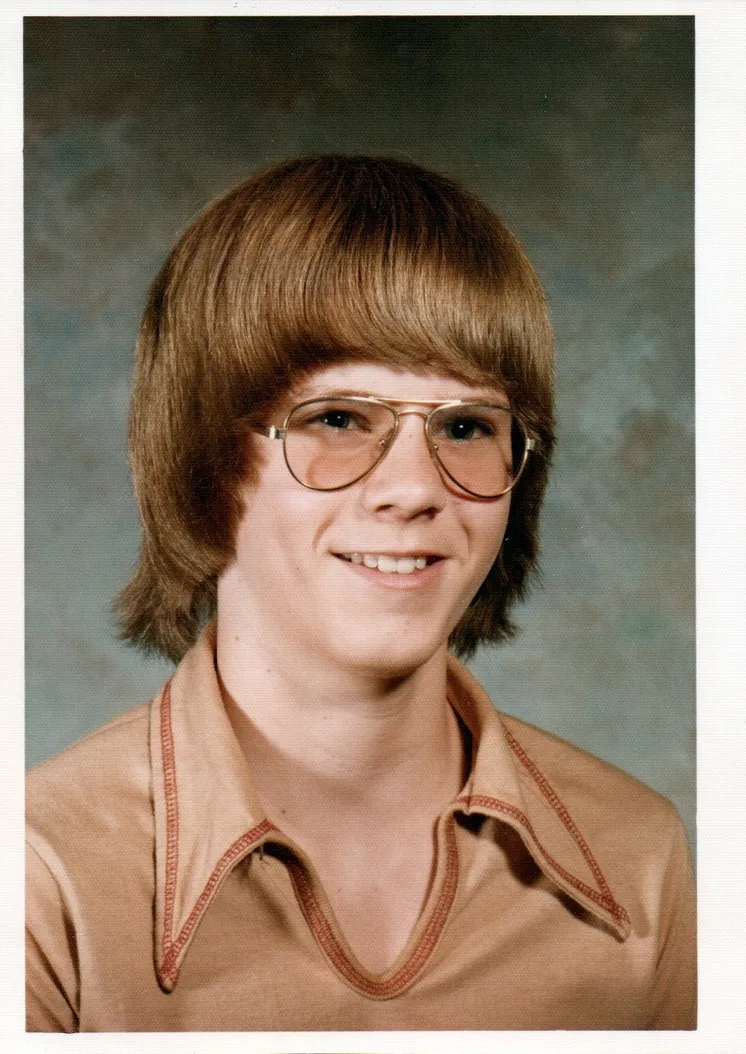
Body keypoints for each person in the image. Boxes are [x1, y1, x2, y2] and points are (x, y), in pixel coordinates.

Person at [25, 155, 696, 1032]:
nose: (414, 488)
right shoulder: (42, 874)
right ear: (202, 461)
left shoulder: (636, 854)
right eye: (337, 419)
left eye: (466, 427)